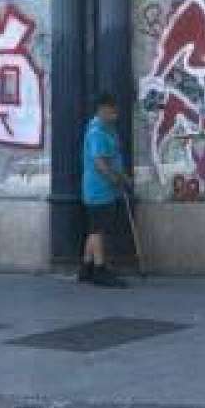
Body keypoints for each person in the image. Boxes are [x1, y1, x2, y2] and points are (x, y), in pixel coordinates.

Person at [80, 94, 132, 288]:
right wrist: (115, 178)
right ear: (102, 110)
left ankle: (86, 267)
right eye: (111, 112)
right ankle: (99, 269)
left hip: (103, 189)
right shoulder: (97, 132)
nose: (115, 116)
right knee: (99, 230)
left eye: (116, 112)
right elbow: (100, 162)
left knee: (94, 228)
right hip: (98, 189)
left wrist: (122, 176)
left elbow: (113, 157)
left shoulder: (107, 129)